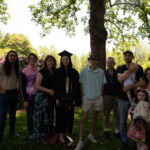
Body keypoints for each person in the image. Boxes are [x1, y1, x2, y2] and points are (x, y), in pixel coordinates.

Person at [75, 54, 106, 150]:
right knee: (83, 119)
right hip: (87, 98)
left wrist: (100, 94)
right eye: (92, 59)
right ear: (89, 60)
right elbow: (81, 84)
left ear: (97, 61)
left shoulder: (101, 72)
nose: (94, 61)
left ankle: (91, 134)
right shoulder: (84, 71)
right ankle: (80, 141)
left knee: (94, 117)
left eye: (96, 59)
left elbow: (102, 84)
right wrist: (82, 96)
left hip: (97, 98)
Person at [117, 50, 144, 150]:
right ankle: (124, 141)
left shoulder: (139, 67)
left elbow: (142, 83)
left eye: (129, 55)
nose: (127, 57)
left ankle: (134, 143)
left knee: (135, 121)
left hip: (136, 99)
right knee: (122, 122)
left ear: (132, 57)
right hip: (122, 99)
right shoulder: (120, 68)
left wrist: (131, 86)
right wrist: (131, 70)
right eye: (125, 56)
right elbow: (120, 79)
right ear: (124, 57)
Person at [55, 50, 81, 147]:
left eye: (67, 59)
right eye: (63, 59)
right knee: (60, 116)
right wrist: (56, 98)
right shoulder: (57, 72)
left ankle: (66, 135)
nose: (65, 60)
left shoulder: (74, 72)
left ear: (69, 60)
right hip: (60, 98)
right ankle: (61, 136)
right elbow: (55, 86)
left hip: (70, 98)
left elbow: (77, 87)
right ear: (61, 60)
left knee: (69, 117)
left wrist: (75, 99)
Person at [33, 55, 56, 144]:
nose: (50, 62)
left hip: (50, 99)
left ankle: (47, 137)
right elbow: (37, 85)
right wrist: (48, 90)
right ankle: (38, 138)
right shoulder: (41, 72)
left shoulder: (54, 72)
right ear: (46, 62)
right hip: (41, 98)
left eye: (52, 61)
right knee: (40, 119)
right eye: (49, 60)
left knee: (49, 118)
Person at [0, 50, 20, 142]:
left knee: (13, 114)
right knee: (2, 115)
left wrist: (18, 88)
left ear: (16, 58)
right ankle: (0, 134)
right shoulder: (2, 66)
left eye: (14, 56)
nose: (12, 57)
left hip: (14, 94)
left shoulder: (17, 67)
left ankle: (12, 131)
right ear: (8, 57)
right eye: (11, 56)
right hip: (4, 94)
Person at [20, 53, 39, 140]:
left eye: (34, 58)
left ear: (36, 59)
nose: (33, 60)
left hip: (38, 97)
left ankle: (37, 131)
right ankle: (30, 133)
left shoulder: (39, 69)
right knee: (30, 116)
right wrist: (24, 100)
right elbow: (21, 86)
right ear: (28, 60)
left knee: (38, 116)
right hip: (29, 97)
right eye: (31, 58)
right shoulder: (24, 70)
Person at [103, 57, 121, 138]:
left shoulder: (118, 73)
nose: (110, 64)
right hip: (107, 96)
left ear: (114, 63)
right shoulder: (103, 73)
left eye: (111, 62)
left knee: (116, 114)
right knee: (106, 114)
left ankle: (116, 131)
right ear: (106, 63)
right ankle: (106, 130)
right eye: (108, 62)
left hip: (117, 96)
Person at [143, 68, 150, 149]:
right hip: (145, 109)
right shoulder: (144, 84)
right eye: (147, 73)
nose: (149, 75)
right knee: (147, 129)